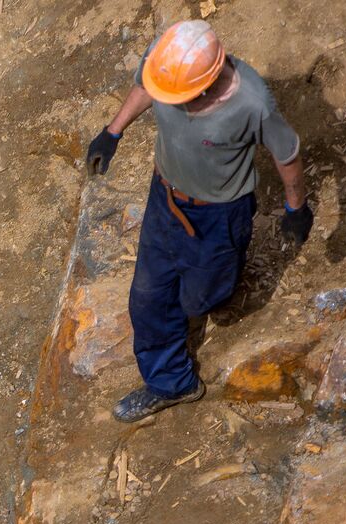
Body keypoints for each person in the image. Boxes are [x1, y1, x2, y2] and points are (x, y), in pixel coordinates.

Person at [85, 19, 312, 422]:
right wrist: (113, 132)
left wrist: (296, 208)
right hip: (165, 198)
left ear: (207, 85)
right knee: (149, 298)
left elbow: (287, 153)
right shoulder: (168, 60)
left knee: (202, 299)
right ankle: (172, 383)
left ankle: (219, 282)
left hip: (220, 215)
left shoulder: (252, 103)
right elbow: (146, 87)